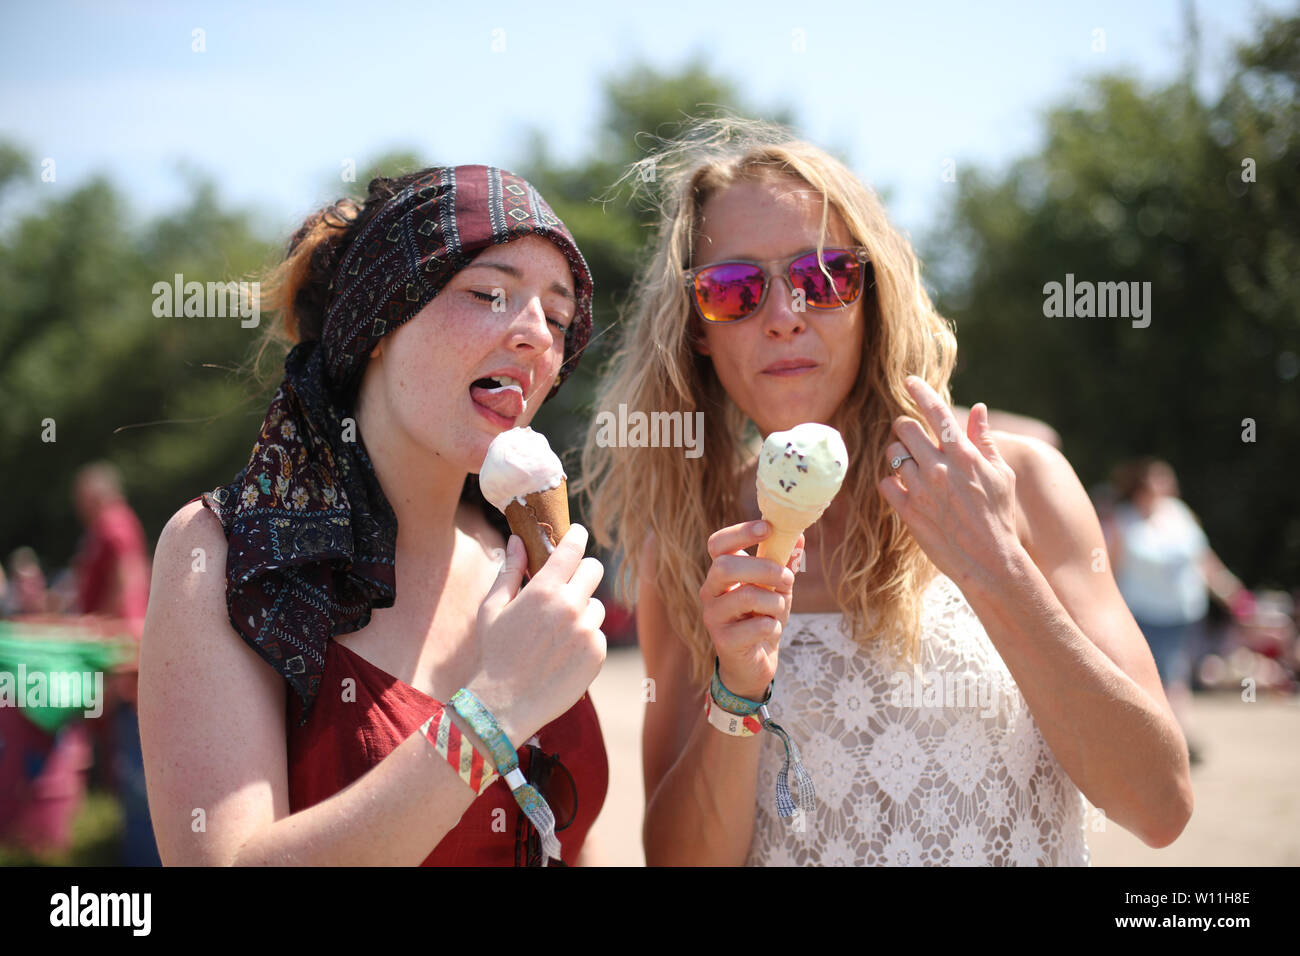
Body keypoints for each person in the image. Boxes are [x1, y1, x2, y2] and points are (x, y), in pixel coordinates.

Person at [579, 119, 1193, 866]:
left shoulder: (1017, 484)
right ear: (696, 329)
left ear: (872, 296)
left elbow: (1157, 805)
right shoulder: (690, 540)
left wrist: (995, 566)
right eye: (734, 289)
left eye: (822, 278)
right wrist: (737, 689)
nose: (783, 317)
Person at [139, 166, 609, 866]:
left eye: (560, 317)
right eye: (489, 293)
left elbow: (567, 841)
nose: (539, 336)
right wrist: (491, 715)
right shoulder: (227, 552)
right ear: (381, 319)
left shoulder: (518, 561)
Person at [1102, 458, 1252, 764]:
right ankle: (1171, 736)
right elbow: (1111, 569)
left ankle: (1175, 736)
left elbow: (1204, 560)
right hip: (1142, 614)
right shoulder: (1123, 521)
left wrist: (1232, 594)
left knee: (1173, 674)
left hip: (1181, 614)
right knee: (1155, 676)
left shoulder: (1181, 515)